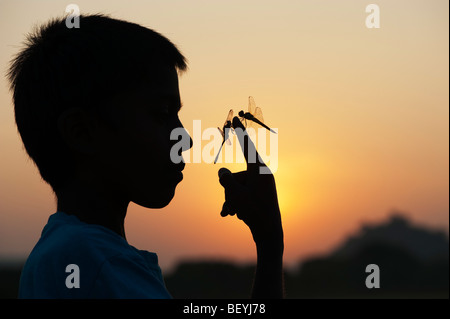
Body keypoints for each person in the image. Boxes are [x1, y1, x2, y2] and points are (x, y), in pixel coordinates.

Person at [8, 14, 284, 298]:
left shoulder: (60, 257)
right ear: (82, 132)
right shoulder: (98, 267)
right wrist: (271, 249)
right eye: (163, 114)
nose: (185, 139)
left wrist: (269, 247)